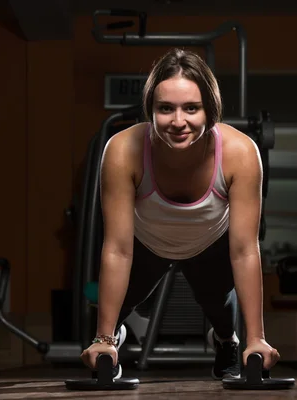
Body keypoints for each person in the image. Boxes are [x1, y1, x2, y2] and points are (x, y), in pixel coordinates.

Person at [80, 48, 280, 380]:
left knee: (219, 305)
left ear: (211, 110)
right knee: (113, 310)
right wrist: (102, 338)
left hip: (211, 243)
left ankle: (226, 341)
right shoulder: (121, 150)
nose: (178, 121)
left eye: (191, 108)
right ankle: (113, 339)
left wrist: (256, 339)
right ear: (150, 111)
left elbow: (245, 249)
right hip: (145, 243)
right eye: (165, 109)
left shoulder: (241, 153)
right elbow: (117, 247)